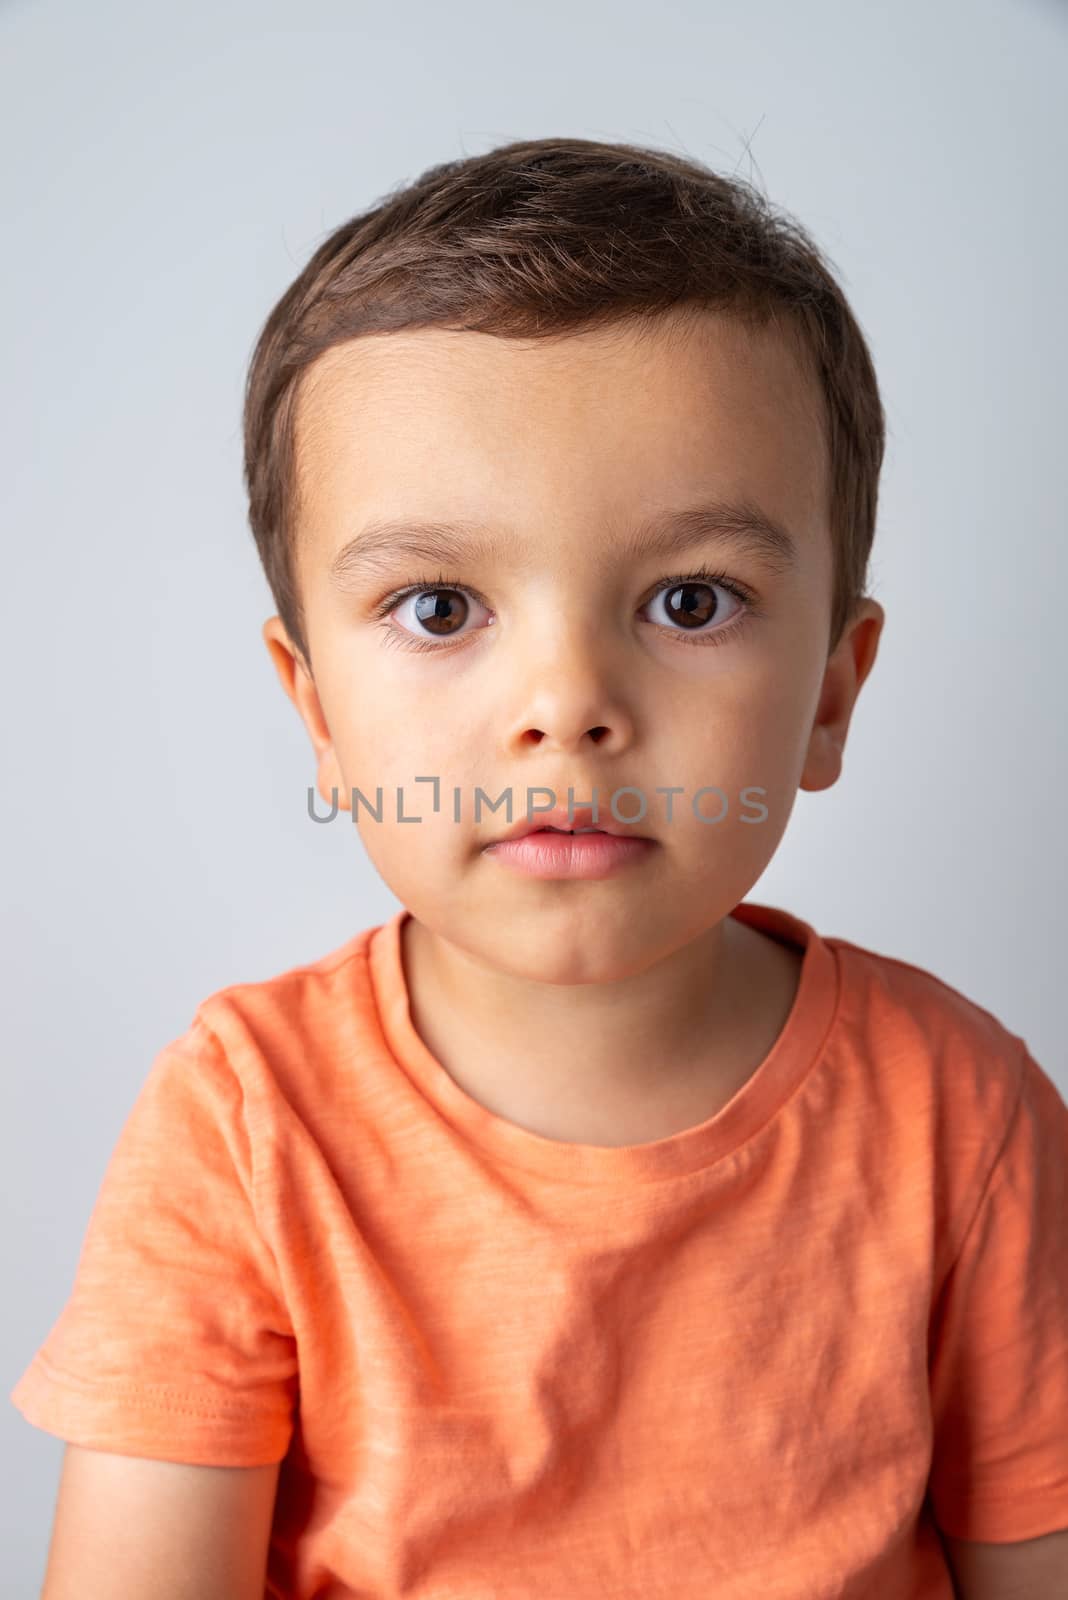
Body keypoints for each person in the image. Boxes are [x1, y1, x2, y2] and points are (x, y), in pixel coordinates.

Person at [12, 138, 1068, 1600]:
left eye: (690, 601)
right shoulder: (246, 1124)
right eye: (441, 606)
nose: (567, 700)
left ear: (831, 691)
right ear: (316, 709)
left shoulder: (965, 1119)